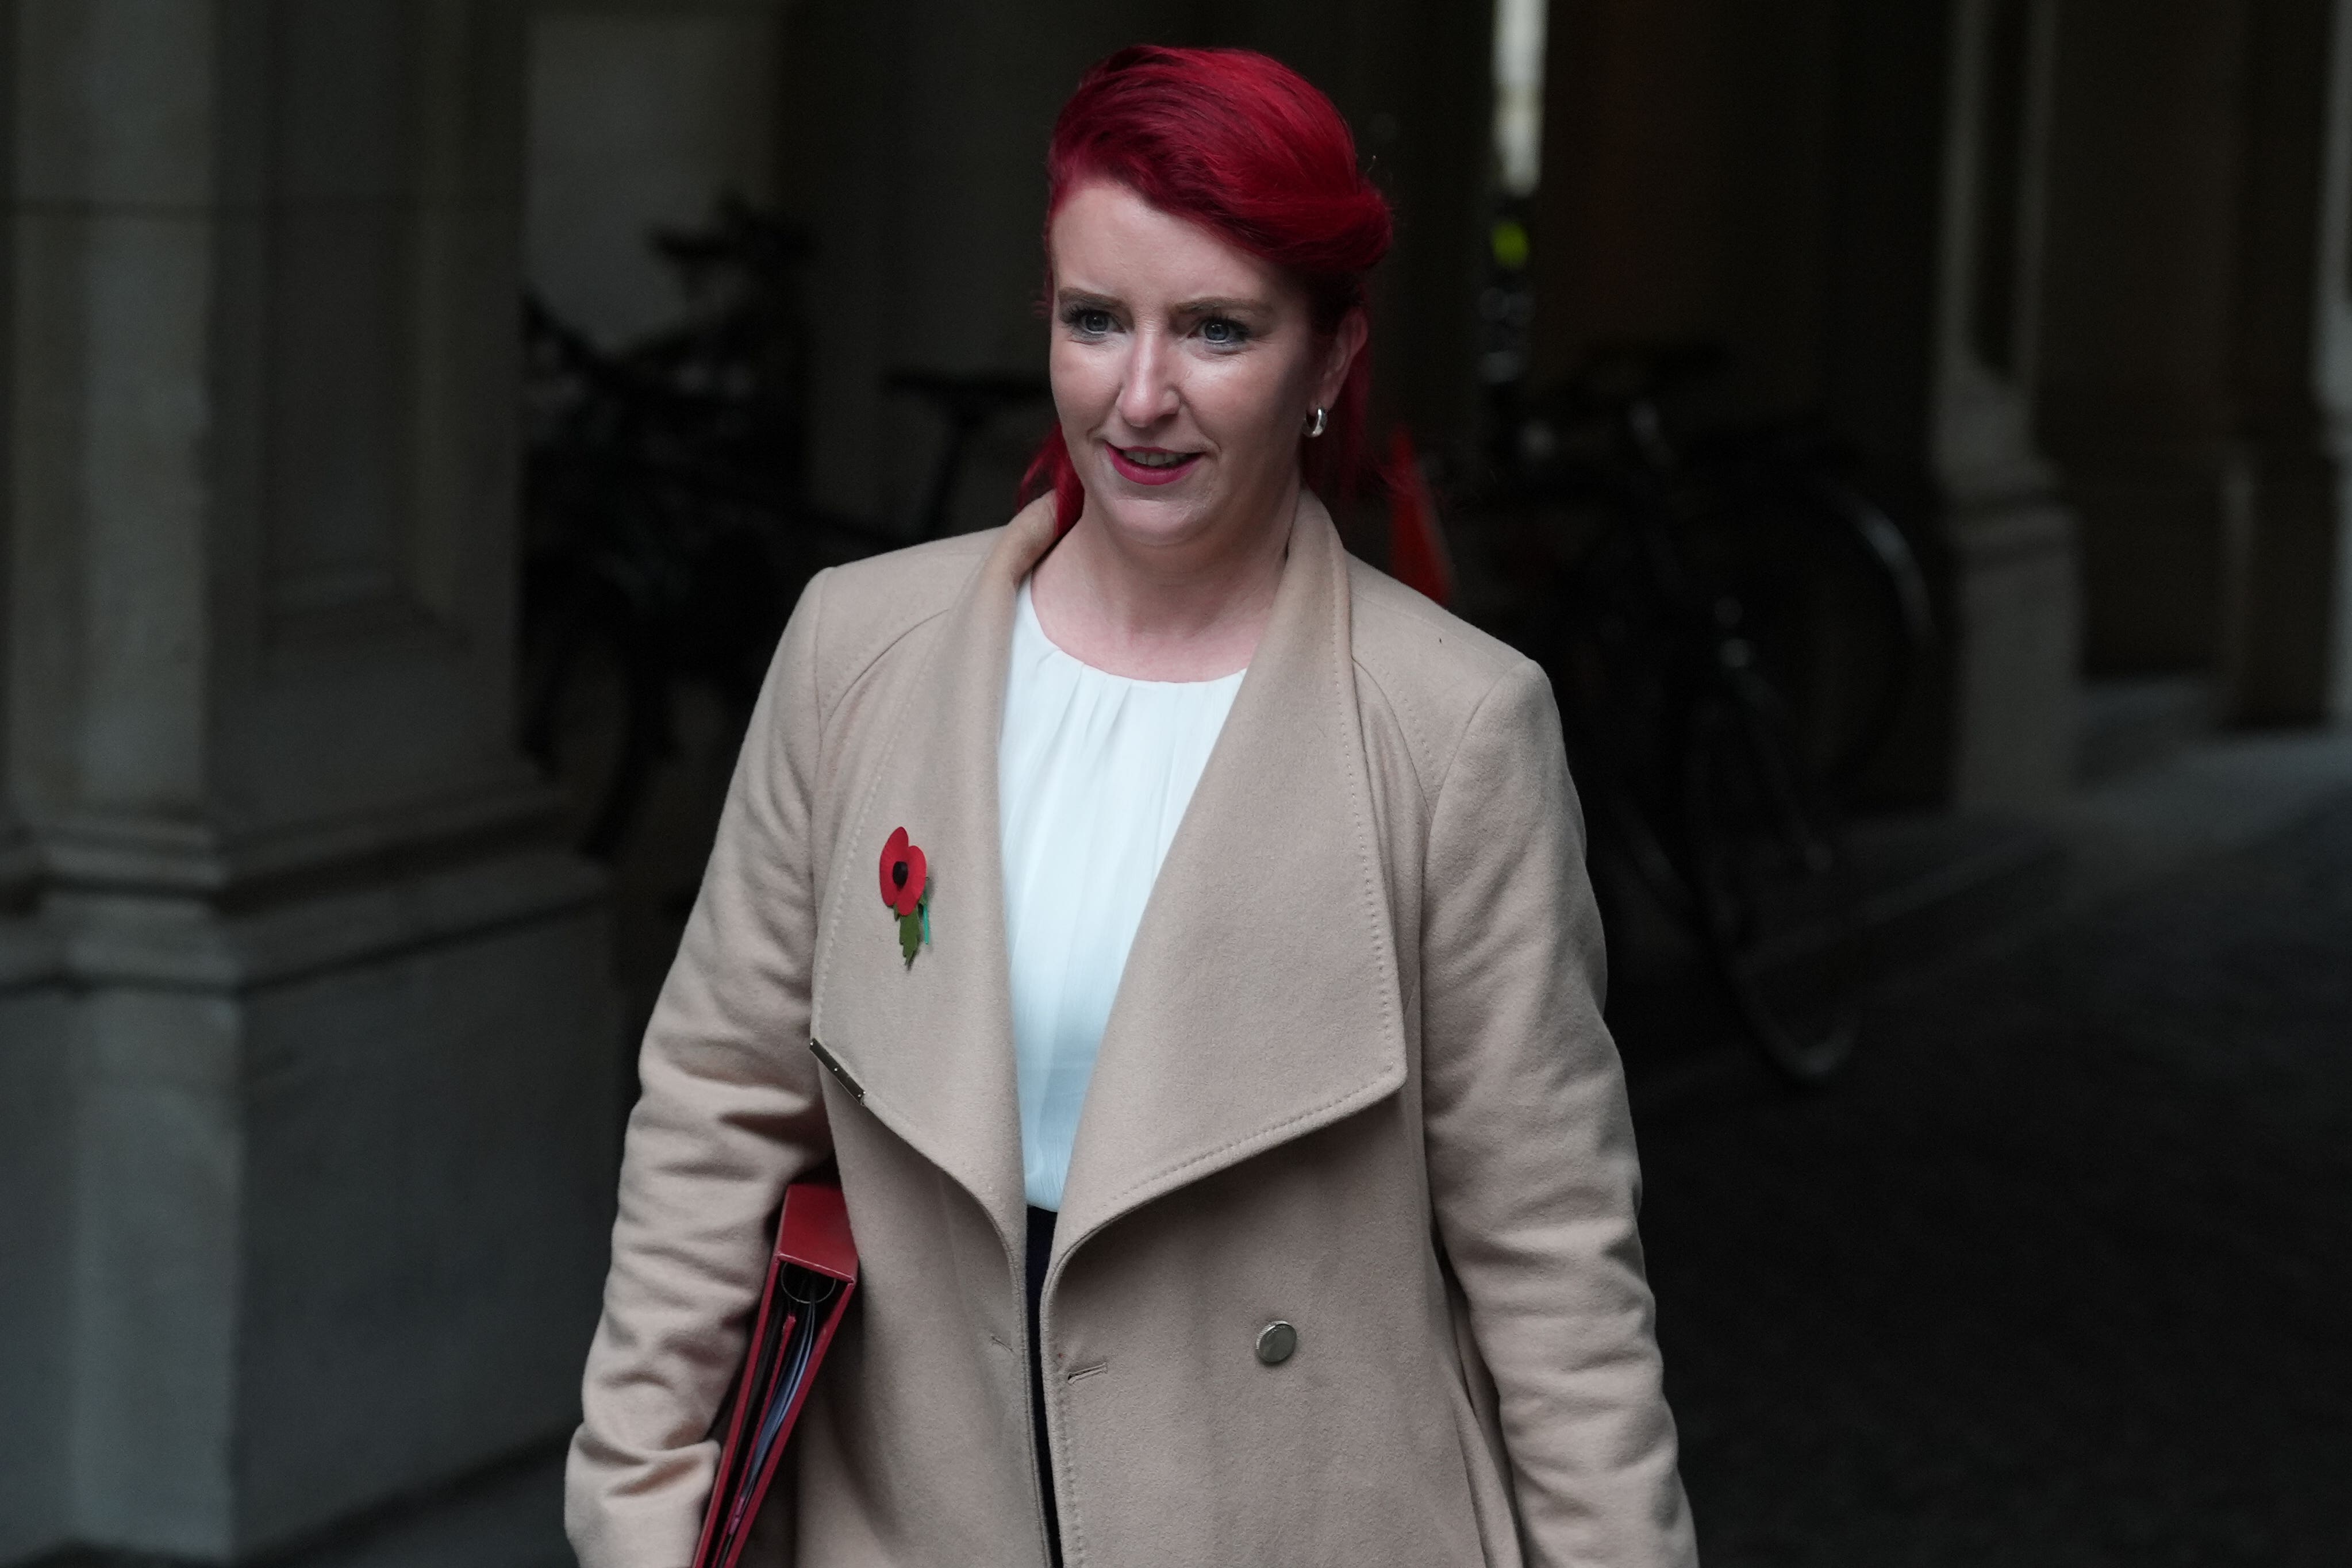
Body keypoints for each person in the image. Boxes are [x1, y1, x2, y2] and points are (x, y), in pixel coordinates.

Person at [567, 44, 1696, 1568]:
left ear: (1328, 359)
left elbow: (1552, 1253)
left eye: (1216, 330)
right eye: (1097, 320)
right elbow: (716, 1105)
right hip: (920, 1514)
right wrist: (639, 1502)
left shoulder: (1456, 730)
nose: (1141, 396)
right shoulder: (860, 651)